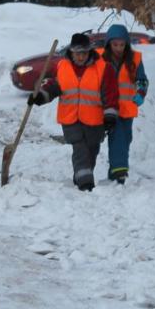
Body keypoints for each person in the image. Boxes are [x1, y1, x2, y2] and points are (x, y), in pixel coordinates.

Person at [28, 33, 119, 191]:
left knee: (91, 151)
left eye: (84, 53)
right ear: (72, 52)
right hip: (70, 118)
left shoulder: (104, 67)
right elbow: (55, 86)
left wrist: (110, 115)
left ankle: (81, 175)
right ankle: (86, 184)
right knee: (80, 149)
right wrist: (40, 96)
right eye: (78, 53)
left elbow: (110, 93)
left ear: (89, 51)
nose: (81, 57)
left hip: (94, 119)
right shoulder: (63, 66)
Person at [99, 24, 149, 185]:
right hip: (108, 106)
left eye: (122, 45)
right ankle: (119, 173)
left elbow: (142, 80)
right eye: (115, 45)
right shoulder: (100, 59)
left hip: (127, 107)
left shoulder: (134, 59)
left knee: (125, 139)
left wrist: (140, 93)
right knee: (117, 137)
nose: (118, 48)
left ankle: (115, 169)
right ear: (109, 44)